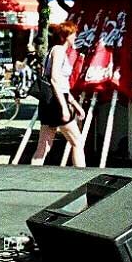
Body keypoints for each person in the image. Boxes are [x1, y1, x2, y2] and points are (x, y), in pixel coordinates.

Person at [31, 21, 86, 167]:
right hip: (57, 102)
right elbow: (55, 79)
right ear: (67, 35)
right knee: (77, 142)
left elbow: (60, 83)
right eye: (74, 34)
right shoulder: (60, 51)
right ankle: (82, 176)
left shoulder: (53, 50)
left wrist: (75, 105)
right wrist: (64, 107)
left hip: (48, 102)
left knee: (44, 145)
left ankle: (31, 176)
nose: (75, 37)